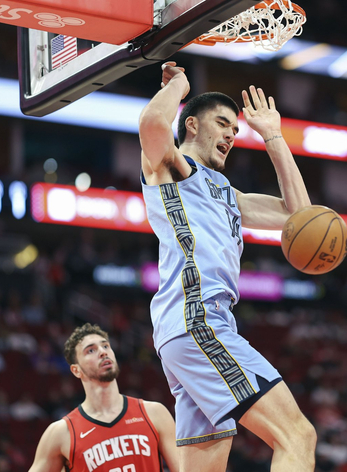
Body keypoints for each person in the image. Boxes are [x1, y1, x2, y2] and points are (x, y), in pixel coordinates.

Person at [138, 61, 316, 471]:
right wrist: (179, 86)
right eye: (222, 124)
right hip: (197, 320)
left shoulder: (227, 192)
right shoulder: (173, 169)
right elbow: (152, 123)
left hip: (195, 327)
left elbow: (301, 215)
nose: (231, 135)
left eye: (235, 129)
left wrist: (272, 136)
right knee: (297, 435)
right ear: (192, 125)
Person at [28, 323, 178, 472]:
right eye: (91, 350)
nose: (102, 352)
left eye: (106, 346)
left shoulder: (154, 413)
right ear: (76, 370)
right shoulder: (61, 433)